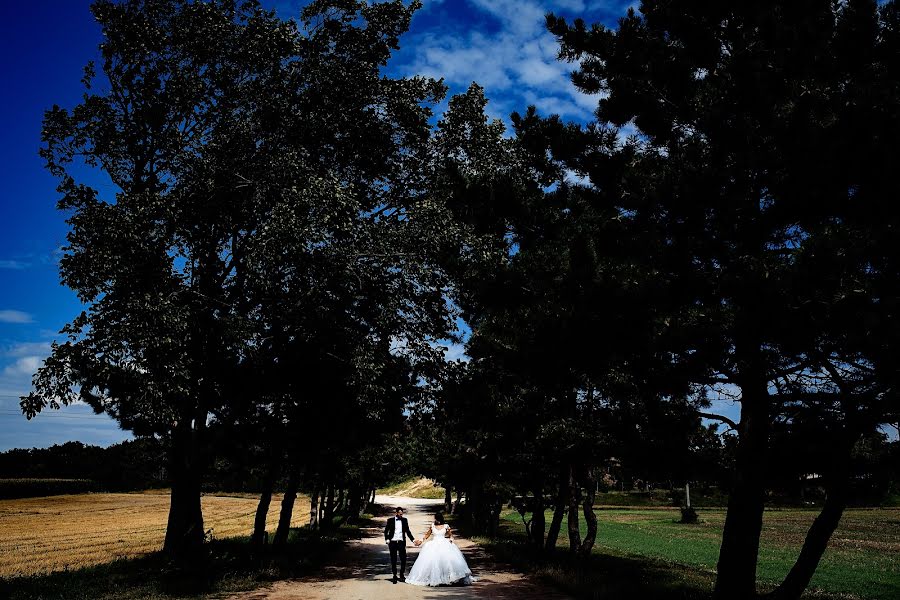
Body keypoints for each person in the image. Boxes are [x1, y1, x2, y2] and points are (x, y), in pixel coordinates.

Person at [406, 512, 475, 586]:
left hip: (444, 543)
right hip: (434, 544)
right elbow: (427, 534)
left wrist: (451, 540)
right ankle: (435, 578)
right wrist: (421, 541)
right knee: (433, 561)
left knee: (447, 561)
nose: (435, 520)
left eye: (436, 518)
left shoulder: (446, 526)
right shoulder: (432, 526)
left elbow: (451, 535)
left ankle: (449, 577)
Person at [383, 506, 416, 583]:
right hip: (393, 542)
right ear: (396, 513)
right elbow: (386, 531)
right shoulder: (390, 520)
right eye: (400, 514)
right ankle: (394, 575)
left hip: (401, 542)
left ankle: (402, 574)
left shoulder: (404, 520)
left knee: (403, 559)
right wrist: (387, 539)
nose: (401, 515)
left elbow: (408, 531)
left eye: (402, 514)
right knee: (393, 559)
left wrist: (413, 540)